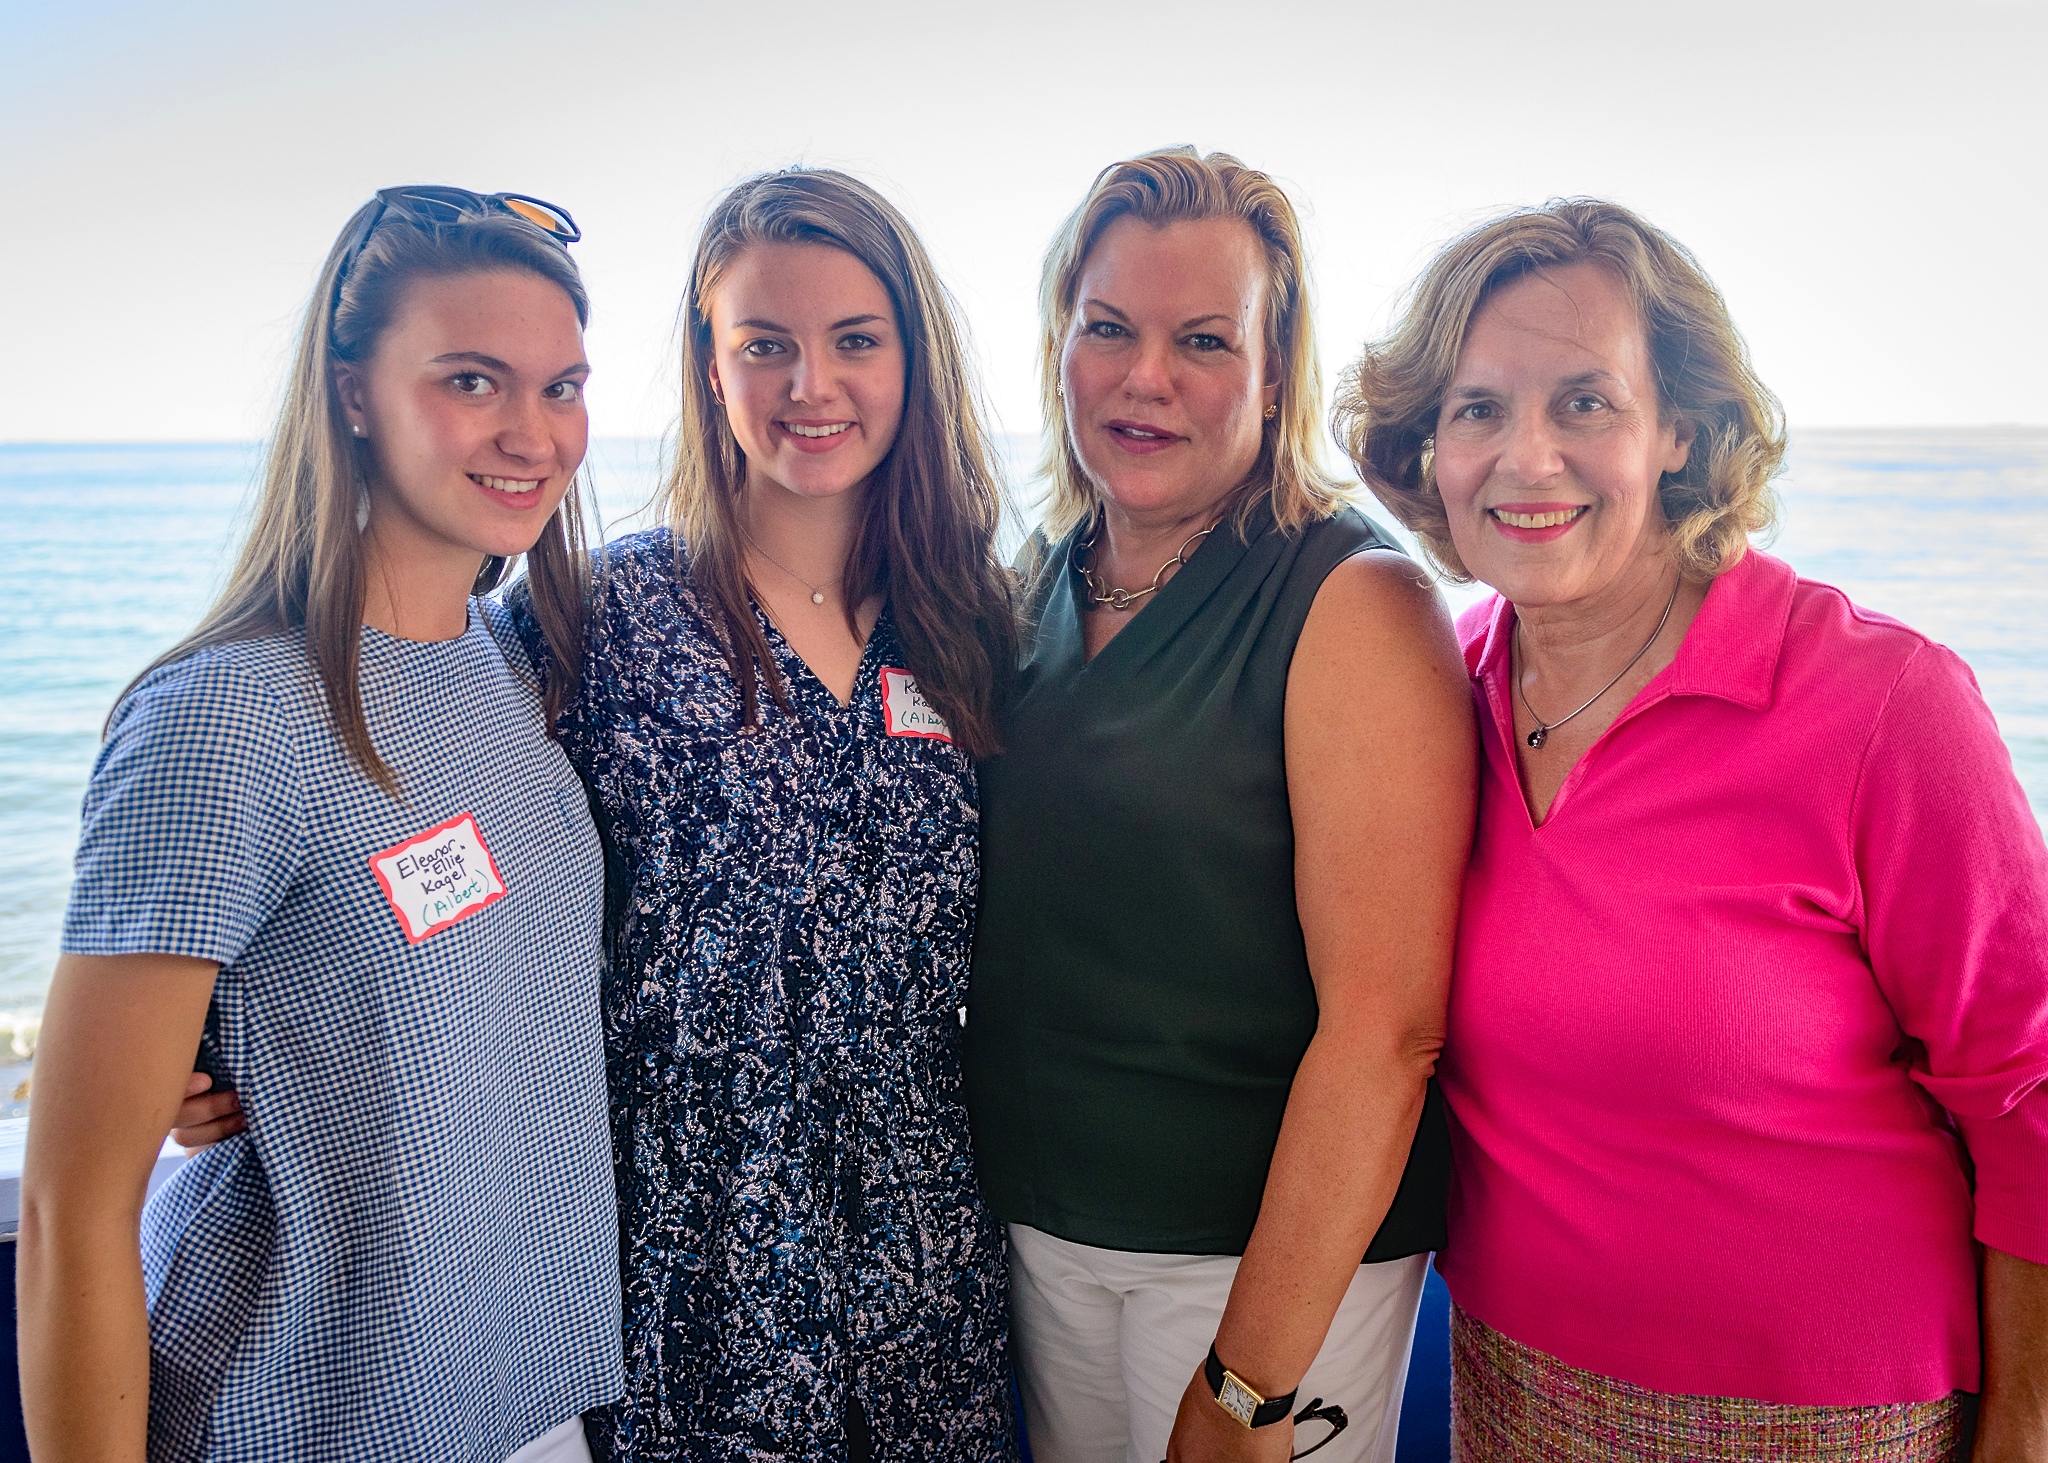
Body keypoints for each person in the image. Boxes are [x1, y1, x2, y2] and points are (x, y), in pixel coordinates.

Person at [1334, 198, 2048, 1462]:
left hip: (1826, 1418)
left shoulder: (1883, 704)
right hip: (1507, 1379)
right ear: (1427, 452)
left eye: (1583, 403)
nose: (1525, 457)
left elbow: (2026, 1088)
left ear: (1678, 429)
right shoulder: (1441, 700)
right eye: (1475, 408)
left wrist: (2025, 1430)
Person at [19, 187, 622, 1462]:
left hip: (526, 1400)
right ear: (351, 393)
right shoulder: (226, 715)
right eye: (472, 381)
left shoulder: (502, 668)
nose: (534, 432)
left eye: (561, 386)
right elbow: (78, 1205)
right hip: (311, 1413)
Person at [961, 148, 1476, 1463]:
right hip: (1045, 1239)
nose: (1146, 378)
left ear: (1270, 363)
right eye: (1108, 329)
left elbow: (1389, 1028)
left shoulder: (1351, 600)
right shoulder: (1037, 577)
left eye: (1203, 339)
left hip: (1260, 1265)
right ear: (1060, 340)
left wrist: (1249, 1381)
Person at [505, 168, 1019, 1462]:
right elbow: (407, 813)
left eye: (856, 340)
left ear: (912, 356)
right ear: (708, 361)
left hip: (925, 1252)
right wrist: (231, 1037)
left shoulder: (970, 621)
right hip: (686, 1253)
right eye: (766, 345)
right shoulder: (596, 615)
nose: (812, 385)